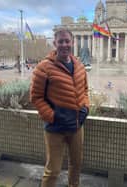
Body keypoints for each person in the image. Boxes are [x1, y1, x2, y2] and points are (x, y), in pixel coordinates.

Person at [30, 29, 90, 187]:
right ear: (55, 43)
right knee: (53, 171)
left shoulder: (79, 66)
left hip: (76, 127)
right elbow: (36, 97)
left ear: (73, 42)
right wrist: (53, 116)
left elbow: (85, 90)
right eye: (61, 41)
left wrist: (85, 108)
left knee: (76, 166)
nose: (64, 44)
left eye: (67, 41)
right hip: (55, 129)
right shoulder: (43, 68)